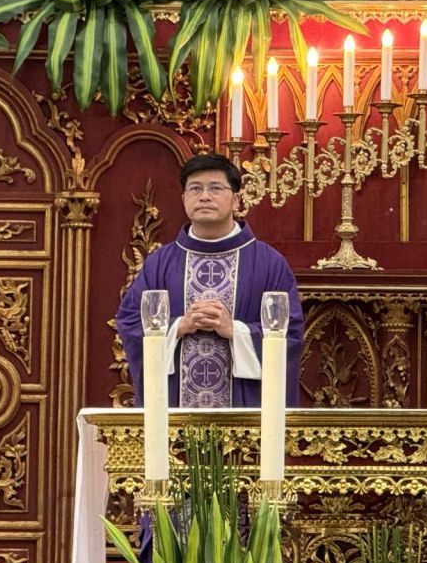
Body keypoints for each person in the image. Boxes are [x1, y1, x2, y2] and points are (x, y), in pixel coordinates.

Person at [116, 153, 303, 408]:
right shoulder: (160, 263)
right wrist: (179, 326)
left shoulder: (269, 263)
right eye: (195, 188)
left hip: (247, 413)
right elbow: (130, 322)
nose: (204, 196)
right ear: (184, 198)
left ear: (236, 199)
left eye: (215, 188)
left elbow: (290, 333)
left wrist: (235, 331)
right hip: (173, 411)